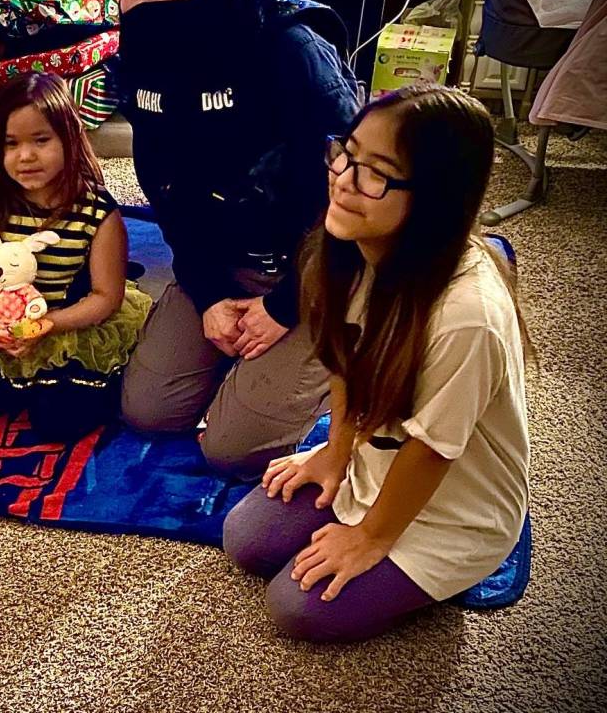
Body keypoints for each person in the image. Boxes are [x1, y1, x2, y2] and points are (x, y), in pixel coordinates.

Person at [222, 84, 532, 642]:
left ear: (435, 197)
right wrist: (335, 454)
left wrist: (371, 537)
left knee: (300, 609)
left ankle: (418, 541)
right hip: (378, 453)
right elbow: (345, 359)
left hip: (450, 503)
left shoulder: (467, 317)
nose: (343, 179)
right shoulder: (352, 246)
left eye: (376, 173)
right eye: (347, 152)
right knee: (247, 539)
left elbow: (434, 448)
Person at [114, 0, 360, 477]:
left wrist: (284, 306)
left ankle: (349, 353)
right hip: (224, 260)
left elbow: (355, 209)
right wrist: (206, 295)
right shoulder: (142, 62)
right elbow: (165, 192)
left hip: (320, 268)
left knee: (231, 448)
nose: (142, 2)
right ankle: (251, 355)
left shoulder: (291, 52)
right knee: (150, 412)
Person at [0, 73, 152, 442]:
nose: (26, 156)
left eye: (41, 140)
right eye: (10, 144)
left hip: (63, 322)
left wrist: (45, 326)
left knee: (59, 423)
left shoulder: (98, 214)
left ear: (68, 139)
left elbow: (106, 297)